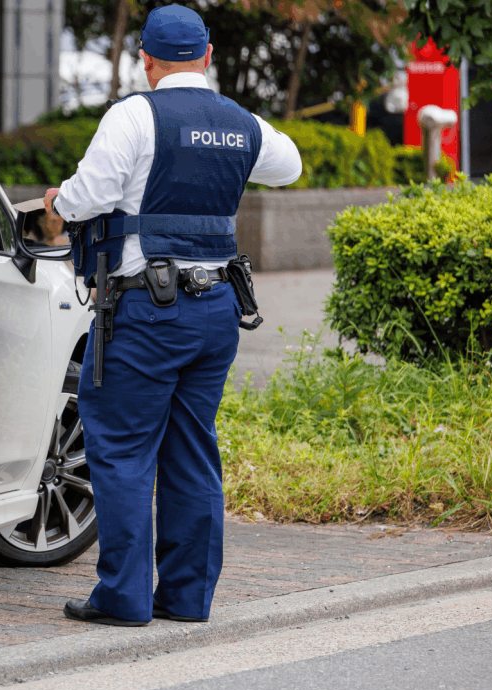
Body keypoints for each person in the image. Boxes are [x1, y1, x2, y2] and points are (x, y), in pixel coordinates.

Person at [41, 5, 302, 626]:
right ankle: (187, 598)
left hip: (149, 311)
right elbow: (288, 167)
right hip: (217, 310)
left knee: (123, 449)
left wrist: (58, 199)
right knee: (191, 451)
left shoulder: (134, 115)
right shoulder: (240, 122)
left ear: (147, 61)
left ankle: (124, 598)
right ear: (208, 57)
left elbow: (90, 197)